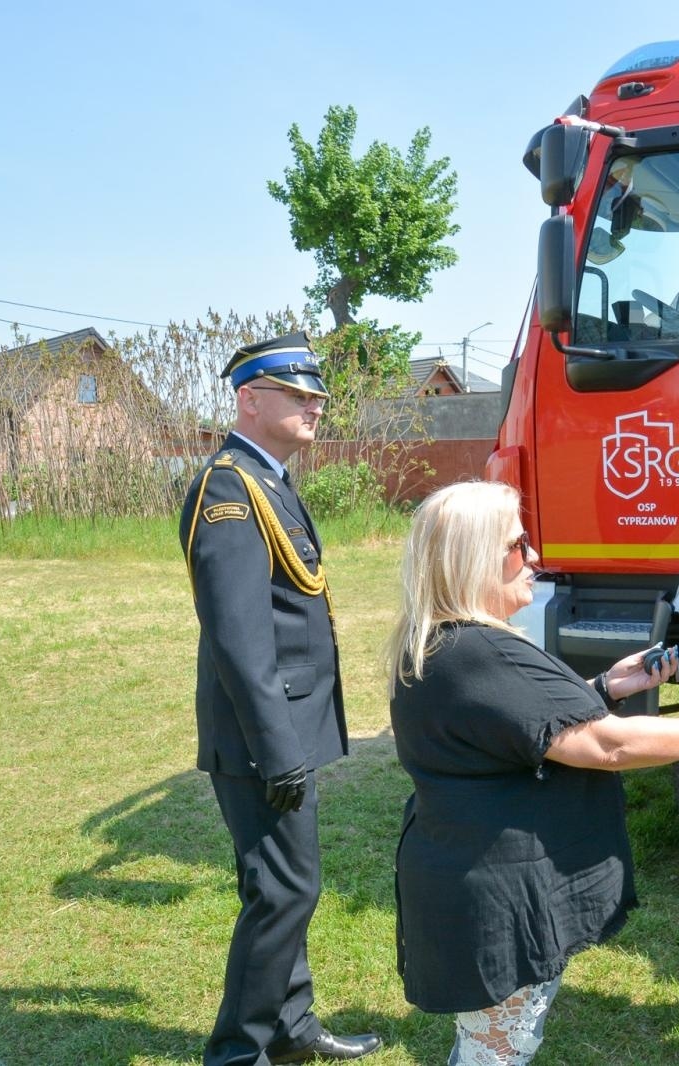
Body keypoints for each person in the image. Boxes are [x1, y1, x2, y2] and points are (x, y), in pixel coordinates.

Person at [387, 480, 679, 1066]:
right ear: (473, 558)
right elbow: (607, 746)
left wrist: (603, 687)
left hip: (464, 877)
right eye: (517, 545)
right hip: (493, 892)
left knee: (493, 1044)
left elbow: (508, 727)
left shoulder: (442, 645)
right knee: (494, 1052)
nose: (534, 558)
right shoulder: (480, 653)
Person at [179, 332, 381, 1065]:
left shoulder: (266, 478)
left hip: (288, 727)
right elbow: (238, 637)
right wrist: (277, 750)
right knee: (285, 892)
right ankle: (240, 1053)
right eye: (298, 396)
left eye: (317, 398)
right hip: (264, 737)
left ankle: (290, 1028)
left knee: (281, 885)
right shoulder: (228, 487)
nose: (315, 407)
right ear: (250, 399)